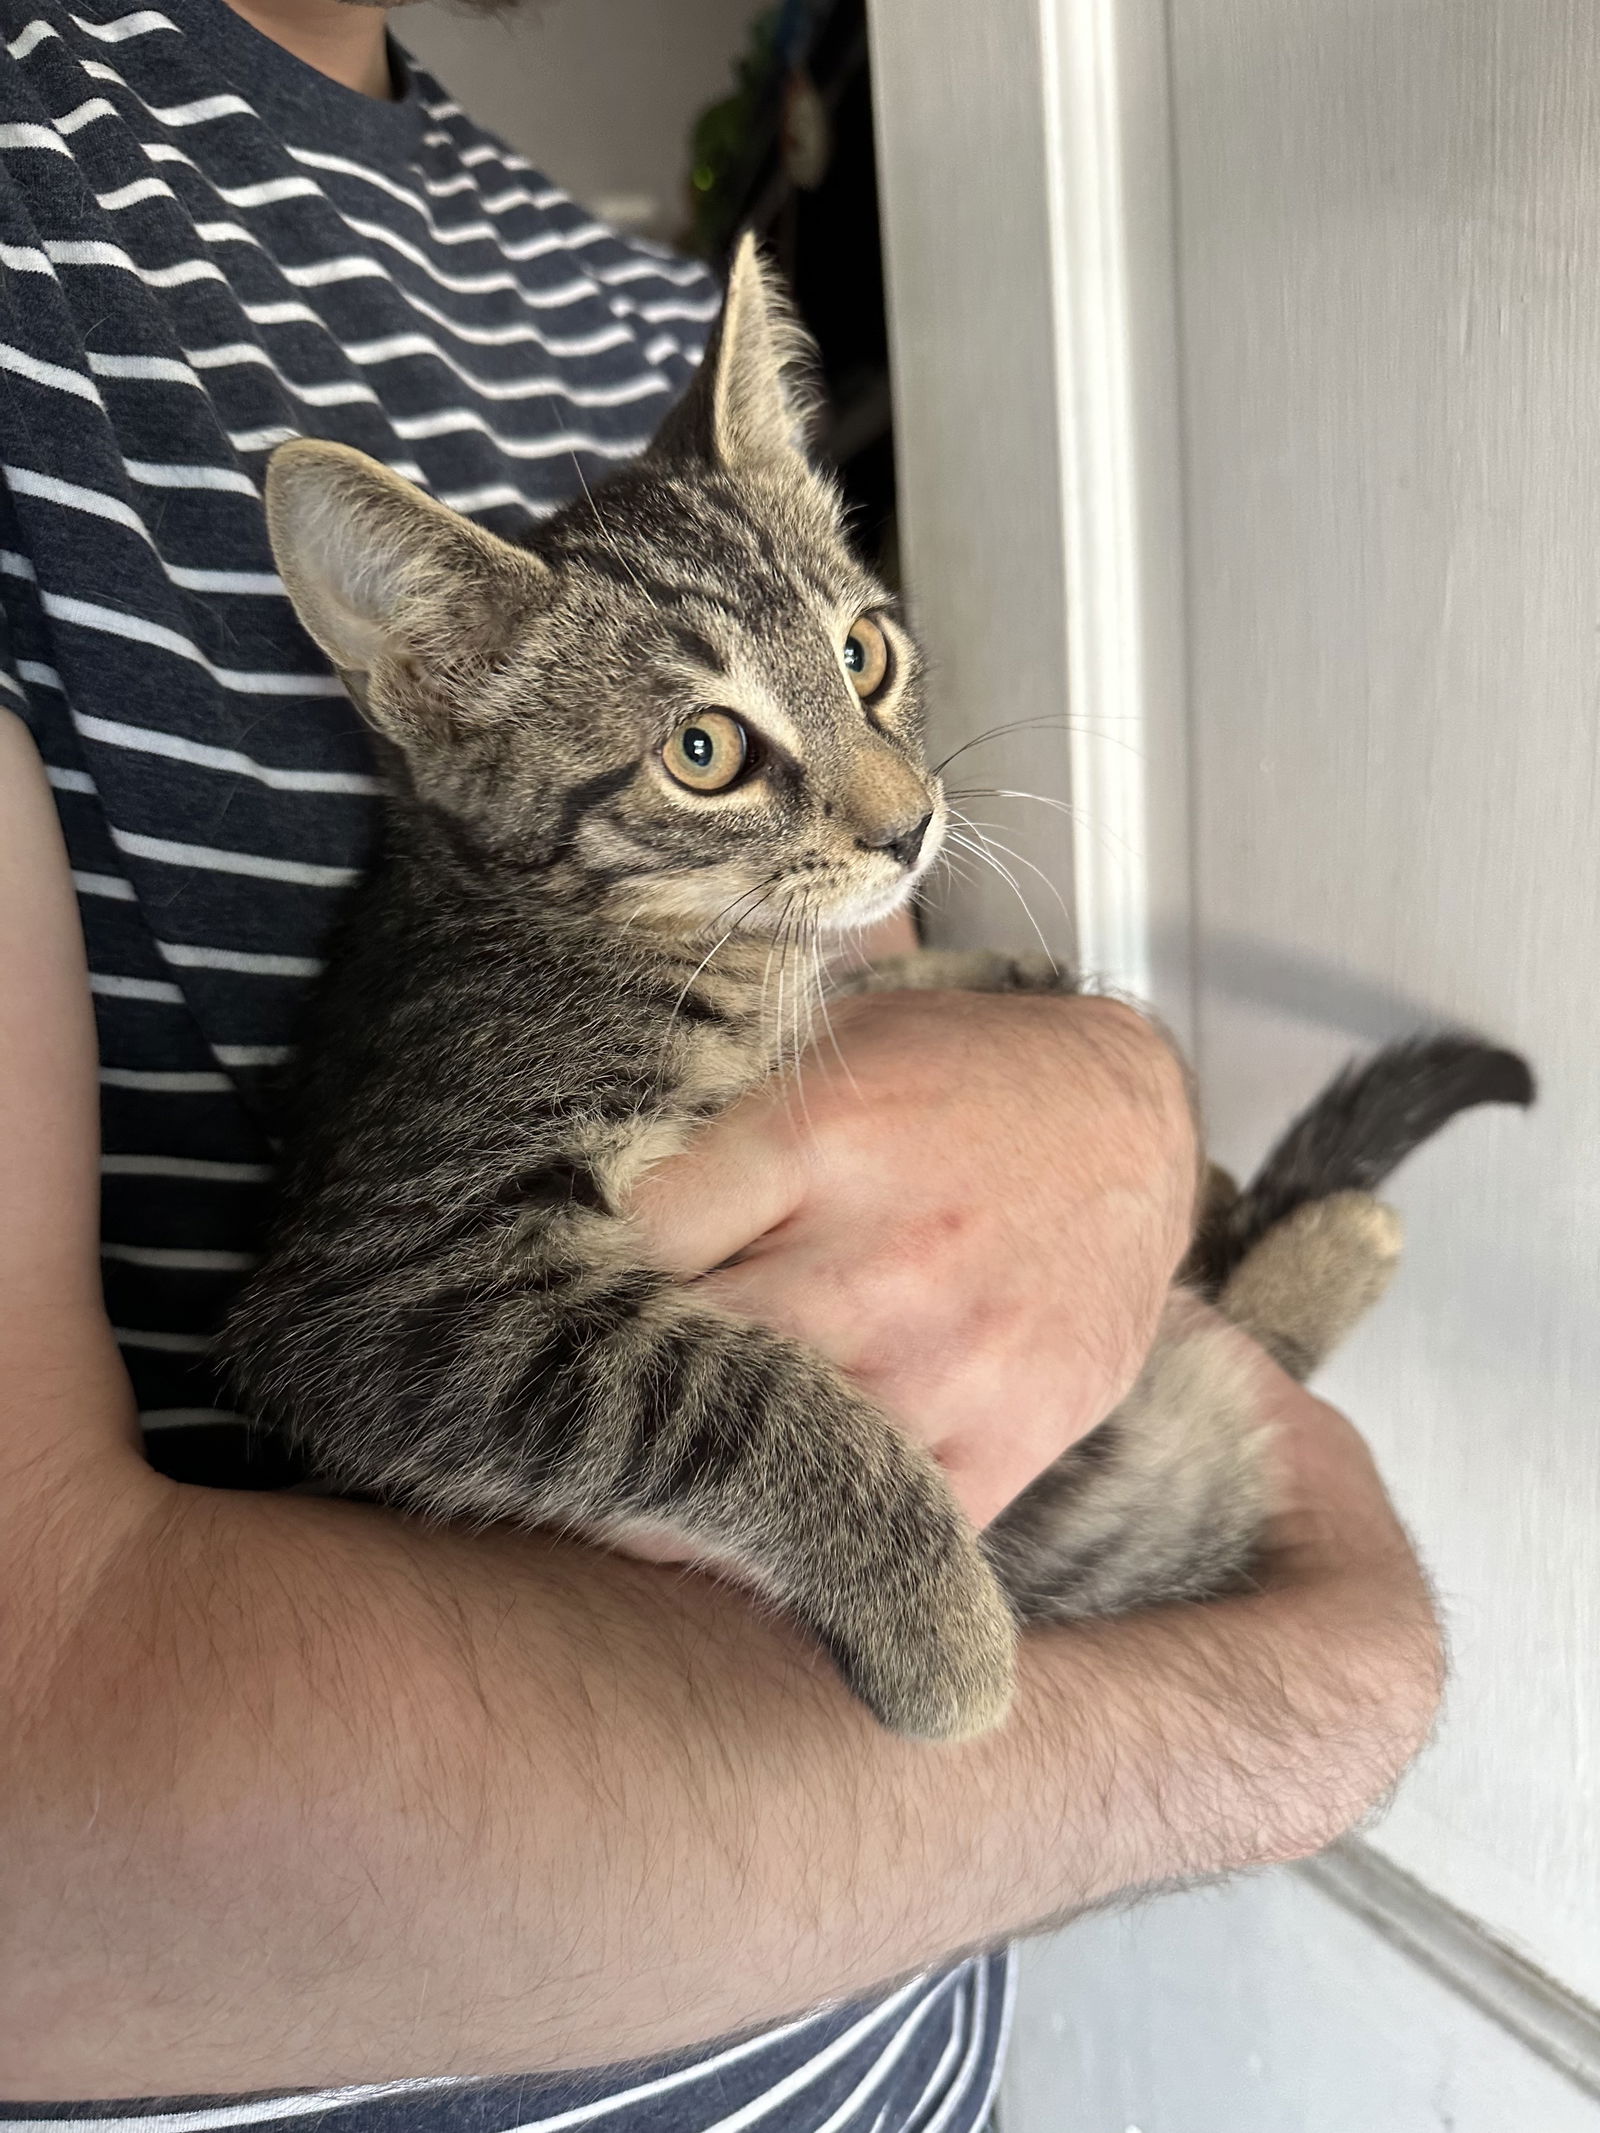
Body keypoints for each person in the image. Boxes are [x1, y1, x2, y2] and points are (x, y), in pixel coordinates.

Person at [0, 0, 1443, 2114]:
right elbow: (346, 1357)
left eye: (859, 667)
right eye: (710, 749)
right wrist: (1283, 1678)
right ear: (443, 686)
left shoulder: (628, 303)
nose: (879, 801)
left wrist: (1111, 1095)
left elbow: (935, 1149)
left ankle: (1242, 1300)